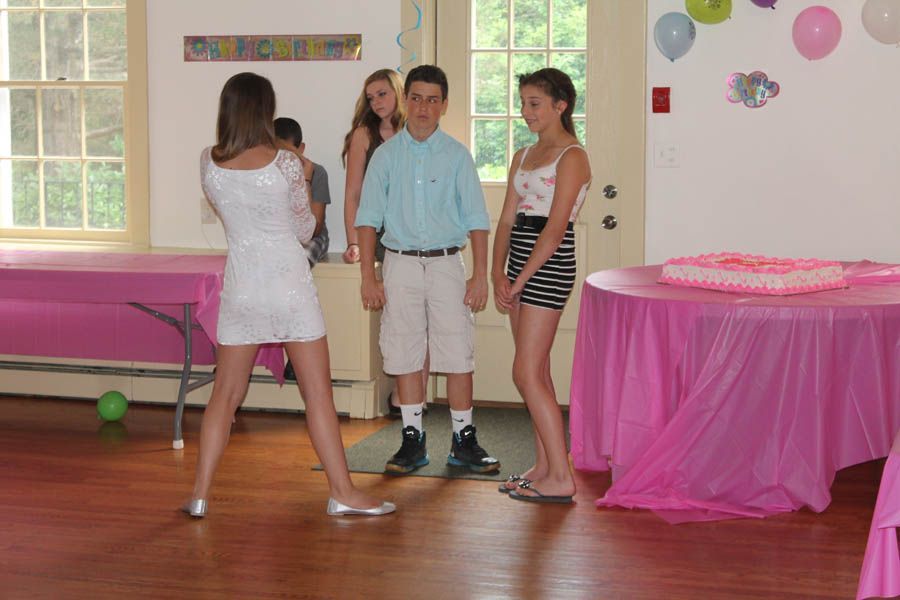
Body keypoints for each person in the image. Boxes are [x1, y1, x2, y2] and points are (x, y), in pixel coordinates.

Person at [187, 72, 394, 518]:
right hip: (288, 285)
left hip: (242, 287)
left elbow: (230, 214)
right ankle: (342, 491)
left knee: (225, 394)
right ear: (265, 109)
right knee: (318, 395)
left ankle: (200, 494)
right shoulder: (285, 163)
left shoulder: (208, 161)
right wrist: (300, 178)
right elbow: (305, 230)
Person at [355, 64, 500, 475]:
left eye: (432, 100)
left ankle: (463, 441)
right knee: (403, 350)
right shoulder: (385, 156)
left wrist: (479, 276)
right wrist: (370, 275)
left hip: (446, 266)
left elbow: (477, 220)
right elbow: (367, 219)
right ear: (407, 101)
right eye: (415, 98)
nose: (422, 107)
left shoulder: (457, 156)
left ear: (444, 105)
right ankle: (412, 442)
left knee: (457, 351)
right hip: (399, 264)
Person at [491, 68, 591, 504]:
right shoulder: (523, 154)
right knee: (538, 371)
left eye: (534, 104)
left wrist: (521, 279)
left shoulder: (572, 156)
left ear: (560, 106)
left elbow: (553, 231)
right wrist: (499, 273)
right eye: (524, 103)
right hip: (519, 264)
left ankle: (562, 478)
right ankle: (544, 466)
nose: (526, 112)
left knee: (525, 372)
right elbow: (508, 220)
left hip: (548, 265)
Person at [340, 68, 406, 265]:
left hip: (412, 231)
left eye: (382, 94)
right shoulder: (363, 135)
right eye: (370, 98)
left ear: (399, 93)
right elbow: (353, 193)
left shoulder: (414, 133)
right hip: (376, 231)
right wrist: (354, 243)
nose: (376, 102)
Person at [274, 117, 331, 268]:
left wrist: (305, 180)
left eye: (288, 152)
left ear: (301, 149)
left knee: (297, 260)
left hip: (313, 238)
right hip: (279, 237)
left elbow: (316, 228)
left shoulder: (316, 172)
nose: (283, 158)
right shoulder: (268, 175)